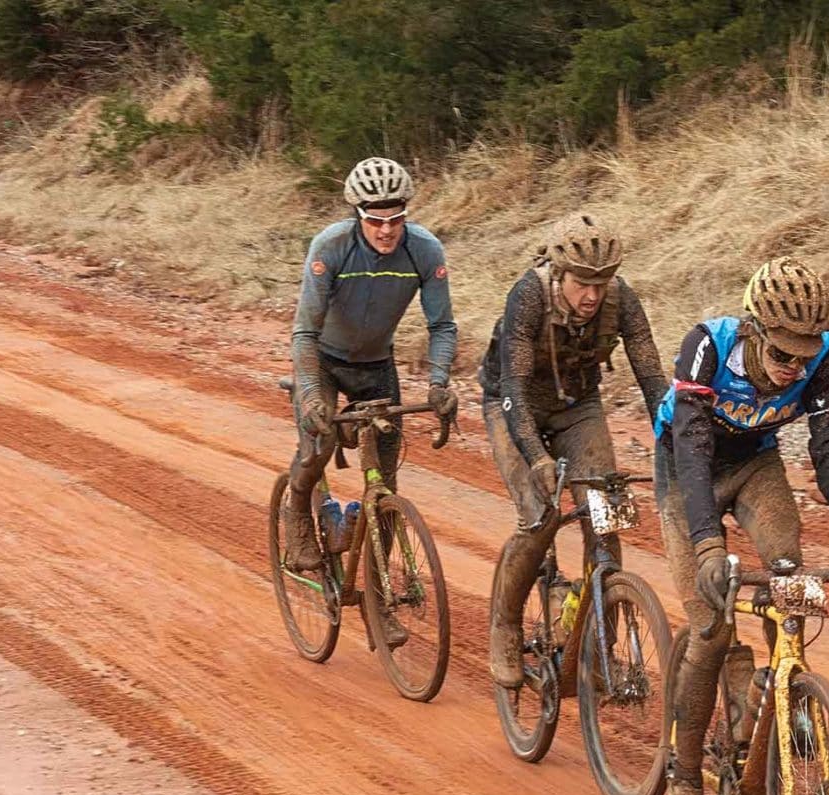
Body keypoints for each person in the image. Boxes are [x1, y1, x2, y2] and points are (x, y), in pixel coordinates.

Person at [654, 257, 829, 795]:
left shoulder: (824, 357)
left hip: (754, 466)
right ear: (753, 331)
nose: (794, 367)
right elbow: (691, 455)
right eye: (781, 356)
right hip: (686, 469)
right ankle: (685, 782)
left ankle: (778, 712)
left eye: (804, 355)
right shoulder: (706, 347)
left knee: (789, 582)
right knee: (711, 628)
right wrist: (709, 545)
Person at [478, 212, 668, 687]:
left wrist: (678, 447)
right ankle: (504, 625)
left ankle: (599, 644)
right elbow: (514, 393)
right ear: (560, 274)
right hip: (514, 404)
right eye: (583, 284)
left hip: (578, 405)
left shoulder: (621, 300)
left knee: (606, 515)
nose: (592, 296)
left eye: (601, 284)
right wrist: (537, 459)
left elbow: (652, 380)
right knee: (539, 515)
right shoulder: (528, 296)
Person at [281, 156, 459, 643]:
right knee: (316, 449)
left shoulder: (424, 251)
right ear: (358, 215)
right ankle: (298, 512)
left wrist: (439, 381)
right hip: (324, 360)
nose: (386, 230)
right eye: (375, 220)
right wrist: (314, 395)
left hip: (376, 366)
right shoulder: (331, 247)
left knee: (384, 483)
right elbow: (303, 331)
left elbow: (442, 325)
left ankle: (380, 606)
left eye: (396, 219)